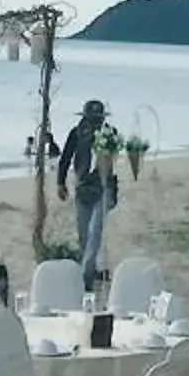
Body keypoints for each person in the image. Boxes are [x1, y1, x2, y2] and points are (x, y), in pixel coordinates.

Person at [54, 98, 117, 273]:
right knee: (83, 232)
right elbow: (65, 157)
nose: (97, 122)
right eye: (93, 118)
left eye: (99, 118)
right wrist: (61, 182)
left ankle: (86, 273)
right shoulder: (76, 134)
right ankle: (91, 268)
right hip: (82, 186)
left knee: (95, 230)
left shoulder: (110, 134)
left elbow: (115, 158)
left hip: (103, 187)